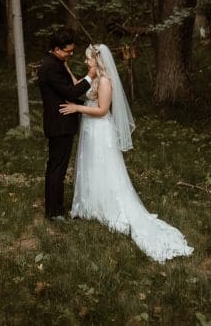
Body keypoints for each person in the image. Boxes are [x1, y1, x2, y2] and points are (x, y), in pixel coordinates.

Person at [59, 44, 193, 262]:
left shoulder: (105, 81)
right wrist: (66, 68)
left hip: (100, 130)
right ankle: (91, 205)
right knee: (91, 167)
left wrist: (77, 109)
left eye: (88, 59)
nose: (85, 62)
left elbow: (102, 110)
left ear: (97, 59)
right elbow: (78, 86)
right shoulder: (94, 78)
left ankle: (109, 206)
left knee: (104, 169)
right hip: (89, 130)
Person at [37, 28, 96, 221]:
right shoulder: (50, 67)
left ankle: (55, 208)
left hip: (60, 122)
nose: (71, 54)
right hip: (59, 123)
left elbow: (69, 86)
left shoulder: (56, 62)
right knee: (57, 168)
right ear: (56, 49)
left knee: (57, 167)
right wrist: (91, 75)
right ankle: (54, 212)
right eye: (68, 51)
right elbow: (70, 93)